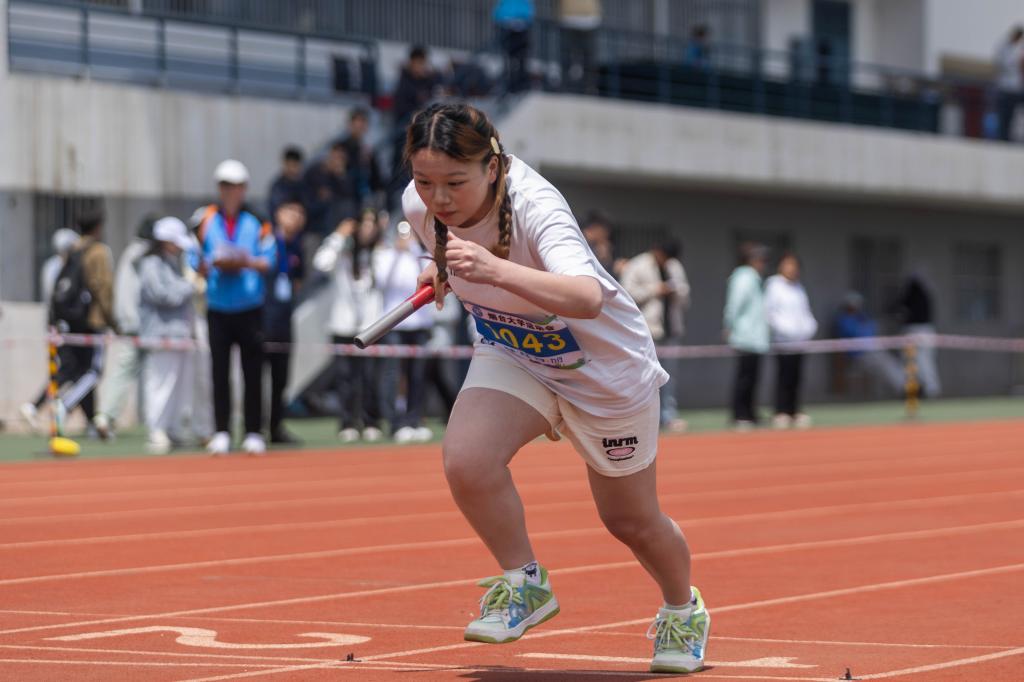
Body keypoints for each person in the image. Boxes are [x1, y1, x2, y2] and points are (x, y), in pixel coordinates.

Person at [401, 103, 708, 674]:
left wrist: (490, 269)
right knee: (467, 460)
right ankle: (525, 583)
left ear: (493, 168)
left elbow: (585, 296)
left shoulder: (538, 207)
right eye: (424, 181)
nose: (437, 198)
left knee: (631, 522)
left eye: (455, 183)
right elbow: (447, 247)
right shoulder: (418, 205)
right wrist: (439, 266)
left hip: (603, 371)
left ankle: (682, 609)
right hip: (516, 351)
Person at [193, 159, 277, 455]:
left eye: (236, 186)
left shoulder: (258, 220)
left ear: (244, 189)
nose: (231, 192)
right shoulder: (205, 219)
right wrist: (209, 264)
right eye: (226, 186)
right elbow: (194, 258)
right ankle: (222, 431)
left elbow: (269, 260)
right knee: (219, 372)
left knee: (252, 371)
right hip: (217, 306)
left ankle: (253, 431)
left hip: (249, 307)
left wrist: (245, 262)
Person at [313, 210, 385, 443]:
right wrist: (338, 235)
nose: (368, 228)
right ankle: (348, 422)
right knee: (345, 379)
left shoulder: (379, 254)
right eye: (364, 223)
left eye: (372, 223)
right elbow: (321, 263)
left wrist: (384, 240)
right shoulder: (342, 254)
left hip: (371, 327)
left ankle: (371, 421)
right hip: (342, 326)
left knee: (370, 377)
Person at [51, 207, 119, 438]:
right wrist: (112, 320)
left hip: (74, 320)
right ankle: (66, 404)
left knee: (81, 371)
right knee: (94, 372)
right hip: (94, 319)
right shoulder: (99, 251)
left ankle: (90, 423)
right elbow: (103, 288)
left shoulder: (74, 249)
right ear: (98, 227)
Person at [137, 217, 198, 454]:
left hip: (178, 333)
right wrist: (190, 286)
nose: (180, 247)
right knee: (161, 383)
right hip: (160, 333)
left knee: (178, 384)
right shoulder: (151, 264)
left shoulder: (172, 263)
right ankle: (157, 429)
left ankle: (172, 428)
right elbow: (162, 294)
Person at [93, 214, 156, 437]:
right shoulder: (141, 254)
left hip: (132, 323)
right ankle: (108, 417)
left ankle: (105, 416)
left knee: (123, 372)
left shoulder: (131, 253)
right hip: (140, 325)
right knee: (149, 375)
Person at [621, 240, 691, 432]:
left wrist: (675, 291)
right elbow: (625, 294)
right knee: (643, 376)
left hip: (671, 328)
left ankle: (668, 416)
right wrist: (655, 289)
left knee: (669, 376)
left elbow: (685, 294)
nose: (666, 261)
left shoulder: (674, 266)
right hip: (646, 331)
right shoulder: (638, 265)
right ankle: (641, 417)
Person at [375, 221, 434, 444]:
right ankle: (395, 422)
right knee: (392, 374)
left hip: (420, 323)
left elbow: (428, 277)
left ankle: (415, 420)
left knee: (418, 375)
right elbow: (382, 281)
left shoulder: (421, 254)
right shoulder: (385, 255)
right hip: (396, 323)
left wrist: (414, 248)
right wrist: (397, 253)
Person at [20, 228, 80, 430]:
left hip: (57, 323)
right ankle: (37, 406)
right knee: (66, 369)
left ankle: (46, 407)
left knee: (72, 368)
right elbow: (58, 299)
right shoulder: (57, 267)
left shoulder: (54, 266)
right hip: (59, 325)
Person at [263, 199, 306, 445]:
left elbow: (297, 281)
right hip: (261, 318)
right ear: (278, 213)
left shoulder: (296, 246)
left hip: (283, 320)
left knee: (280, 378)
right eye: (291, 210)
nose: (296, 216)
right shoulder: (266, 240)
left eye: (300, 212)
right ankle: (253, 428)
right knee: (256, 376)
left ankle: (276, 427)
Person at [764, 252, 817, 429]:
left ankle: (794, 410)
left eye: (794, 265)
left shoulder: (799, 287)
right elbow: (770, 313)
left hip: (800, 341)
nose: (791, 268)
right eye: (788, 264)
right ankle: (781, 411)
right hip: (783, 340)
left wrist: (809, 328)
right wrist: (786, 330)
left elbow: (805, 311)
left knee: (797, 376)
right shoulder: (773, 285)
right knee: (784, 376)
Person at [723, 242, 769, 431]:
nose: (763, 263)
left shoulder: (755, 278)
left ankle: (750, 412)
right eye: (760, 259)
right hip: (745, 335)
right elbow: (734, 305)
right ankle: (740, 413)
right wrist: (729, 326)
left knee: (753, 377)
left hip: (756, 337)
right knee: (744, 377)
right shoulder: (743, 277)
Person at [895, 272, 941, 398]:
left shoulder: (914, 296)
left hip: (915, 331)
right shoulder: (924, 295)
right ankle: (923, 389)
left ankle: (927, 390)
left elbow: (898, 306)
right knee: (921, 361)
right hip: (927, 331)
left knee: (920, 360)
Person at [303, 142, 357, 236]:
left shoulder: (343, 175)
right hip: (314, 220)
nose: (337, 161)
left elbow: (349, 196)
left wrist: (341, 176)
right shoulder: (316, 171)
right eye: (336, 156)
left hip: (334, 220)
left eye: (341, 158)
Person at [338, 108, 386, 211]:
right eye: (357, 123)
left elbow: (377, 178)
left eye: (363, 123)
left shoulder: (368, 150)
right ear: (350, 124)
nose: (360, 127)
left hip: (364, 197)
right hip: (345, 197)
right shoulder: (340, 148)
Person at [558, 0, 602, 94]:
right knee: (567, 57)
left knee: (589, 58)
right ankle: (566, 86)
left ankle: (590, 88)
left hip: (589, 19)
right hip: (568, 18)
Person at [493, 0, 535, 93]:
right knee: (508, 59)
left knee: (520, 58)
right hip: (507, 28)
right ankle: (510, 83)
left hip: (520, 30)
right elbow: (499, 11)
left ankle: (520, 83)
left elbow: (528, 11)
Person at [994, 26, 1024, 141]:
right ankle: (1002, 138)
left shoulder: (1019, 48)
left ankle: (1011, 138)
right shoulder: (1004, 47)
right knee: (1004, 116)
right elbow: (1002, 63)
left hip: (1017, 89)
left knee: (1014, 117)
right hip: (1005, 88)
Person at [267, 146, 307, 217]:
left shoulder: (305, 185)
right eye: (289, 165)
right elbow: (275, 209)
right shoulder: (278, 187)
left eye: (294, 165)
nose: (291, 169)